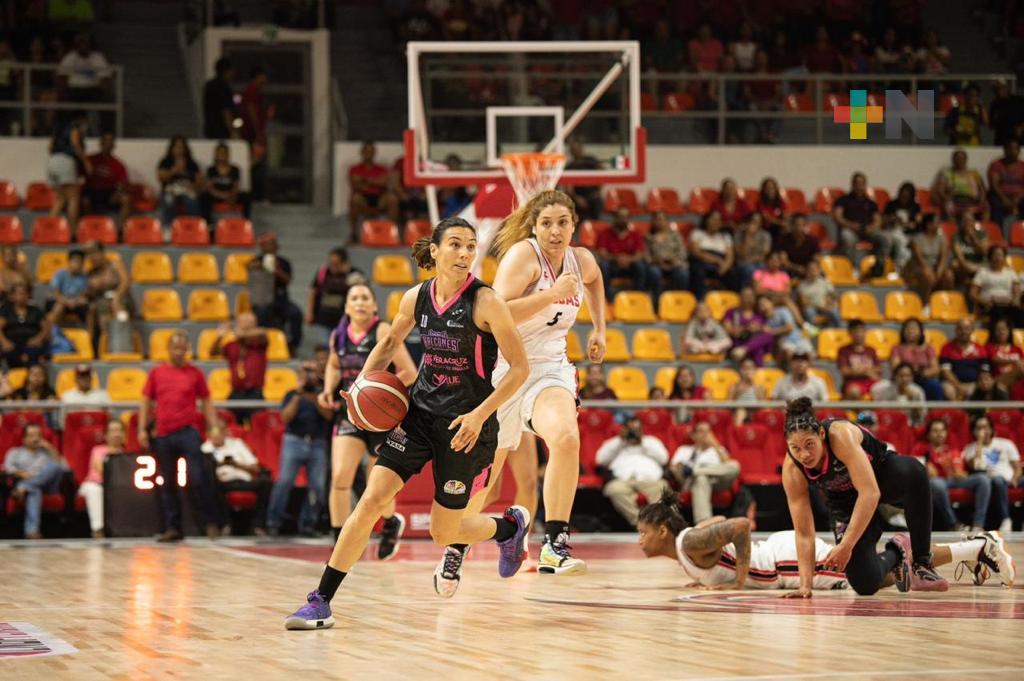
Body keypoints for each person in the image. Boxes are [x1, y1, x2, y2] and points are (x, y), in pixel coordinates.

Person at [283, 217, 530, 629]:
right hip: (418, 415)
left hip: (467, 426)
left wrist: (481, 413)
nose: (465, 253)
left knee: (443, 532)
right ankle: (320, 600)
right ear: (434, 251)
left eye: (471, 246)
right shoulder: (416, 297)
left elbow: (520, 369)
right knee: (370, 502)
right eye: (455, 245)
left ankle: (508, 528)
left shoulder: (487, 302)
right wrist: (360, 382)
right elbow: (390, 342)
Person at [445, 190, 606, 580]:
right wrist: (552, 295)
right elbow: (493, 314)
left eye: (563, 223)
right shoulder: (523, 256)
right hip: (505, 370)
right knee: (488, 477)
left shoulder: (580, 260)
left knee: (566, 438)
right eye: (547, 223)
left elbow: (596, 279)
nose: (555, 231)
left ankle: (554, 544)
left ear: (574, 226)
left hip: (551, 367)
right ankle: (456, 545)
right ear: (534, 226)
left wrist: (600, 327)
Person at [638, 489, 1013, 590]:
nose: (639, 541)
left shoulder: (688, 543)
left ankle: (975, 546)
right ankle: (971, 549)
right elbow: (718, 523)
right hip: (781, 557)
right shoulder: (689, 546)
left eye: (642, 533)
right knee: (891, 579)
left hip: (786, 563)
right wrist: (710, 572)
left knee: (880, 578)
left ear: (662, 531)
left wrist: (736, 582)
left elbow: (738, 525)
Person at [781, 398, 948, 597]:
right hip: (844, 501)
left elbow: (870, 493)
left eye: (809, 444)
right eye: (795, 448)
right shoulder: (792, 469)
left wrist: (846, 545)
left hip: (879, 476)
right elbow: (804, 533)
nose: (805, 455)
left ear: (822, 435)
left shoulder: (839, 436)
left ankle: (922, 564)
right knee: (865, 584)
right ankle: (897, 551)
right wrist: (805, 586)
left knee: (914, 472)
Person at [321, 283, 416, 552]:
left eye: (365, 298)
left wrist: (381, 393)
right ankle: (338, 539)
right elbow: (333, 364)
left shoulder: (382, 331)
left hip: (380, 416)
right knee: (340, 477)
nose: (360, 302)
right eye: (354, 298)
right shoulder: (337, 336)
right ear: (346, 307)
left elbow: (409, 372)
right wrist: (328, 389)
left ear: (374, 306)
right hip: (349, 414)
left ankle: (389, 523)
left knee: (377, 482)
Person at [138, 331, 221, 542]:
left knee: (198, 477)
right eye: (175, 348)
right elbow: (146, 401)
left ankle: (209, 522)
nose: (179, 352)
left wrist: (214, 427)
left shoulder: (196, 373)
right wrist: (141, 429)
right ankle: (173, 527)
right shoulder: (157, 373)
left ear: (187, 350)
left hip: (188, 431)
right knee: (167, 483)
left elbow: (207, 400)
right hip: (164, 433)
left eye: (183, 348)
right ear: (168, 349)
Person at [266, 362, 334, 536]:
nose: (309, 378)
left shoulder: (323, 394)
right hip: (294, 441)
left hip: (317, 442)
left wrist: (315, 400)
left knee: (318, 487)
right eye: (306, 374)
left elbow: (329, 415)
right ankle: (273, 522)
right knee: (284, 482)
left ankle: (309, 525)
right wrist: (298, 395)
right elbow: (285, 418)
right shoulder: (291, 394)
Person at [914, 418, 989, 534]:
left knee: (983, 479)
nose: (939, 434)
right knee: (936, 483)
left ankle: (978, 525)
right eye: (935, 431)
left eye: (942, 430)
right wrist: (925, 468)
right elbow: (914, 467)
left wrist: (960, 472)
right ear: (928, 434)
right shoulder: (921, 449)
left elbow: (961, 471)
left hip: (954, 480)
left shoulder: (952, 450)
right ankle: (953, 524)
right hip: (938, 482)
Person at [596, 415, 670, 527]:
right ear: (623, 429)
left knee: (662, 487)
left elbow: (664, 459)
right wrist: (620, 441)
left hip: (650, 480)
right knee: (613, 489)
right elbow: (600, 460)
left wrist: (642, 442)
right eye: (630, 429)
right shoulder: (615, 443)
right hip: (623, 481)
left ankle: (655, 523)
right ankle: (640, 523)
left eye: (636, 429)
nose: (633, 433)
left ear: (642, 429)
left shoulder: (651, 441)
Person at [203, 420, 270, 535]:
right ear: (208, 434)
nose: (217, 437)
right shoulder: (205, 448)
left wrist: (236, 464)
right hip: (223, 481)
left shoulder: (237, 443)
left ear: (226, 433)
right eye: (214, 434)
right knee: (211, 486)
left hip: (243, 479)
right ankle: (225, 524)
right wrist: (221, 464)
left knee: (266, 483)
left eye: (221, 433)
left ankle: (258, 525)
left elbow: (255, 468)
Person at [3, 423, 68, 539]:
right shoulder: (15, 452)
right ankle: (32, 532)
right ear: (24, 439)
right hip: (32, 487)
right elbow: (7, 467)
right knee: (34, 490)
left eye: (38, 435)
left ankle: (24, 487)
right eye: (31, 435)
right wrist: (20, 473)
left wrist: (49, 447)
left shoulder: (46, 453)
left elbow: (65, 468)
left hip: (49, 487)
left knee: (56, 466)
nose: (36, 439)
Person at [671, 420, 741, 523]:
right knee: (701, 479)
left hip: (717, 480)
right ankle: (704, 523)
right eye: (701, 431)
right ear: (693, 435)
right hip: (693, 482)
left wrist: (715, 445)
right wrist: (680, 468)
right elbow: (675, 469)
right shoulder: (685, 450)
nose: (705, 435)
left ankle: (696, 470)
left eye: (708, 432)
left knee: (735, 465)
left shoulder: (717, 449)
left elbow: (728, 465)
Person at [962, 414, 1021, 534]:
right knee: (997, 480)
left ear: (992, 429)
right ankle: (1006, 519)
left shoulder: (1006, 443)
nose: (983, 431)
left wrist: (1015, 478)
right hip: (993, 481)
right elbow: (976, 466)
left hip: (1011, 478)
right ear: (973, 431)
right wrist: (979, 442)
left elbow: (1017, 467)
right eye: (979, 428)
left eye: (986, 427)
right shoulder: (970, 448)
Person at [247, 233, 303, 352]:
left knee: (296, 313)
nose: (271, 247)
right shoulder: (255, 262)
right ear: (262, 247)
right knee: (262, 312)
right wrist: (259, 267)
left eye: (273, 244)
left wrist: (276, 270)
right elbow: (249, 273)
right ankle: (264, 344)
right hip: (261, 300)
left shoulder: (284, 263)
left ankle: (293, 345)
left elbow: (288, 280)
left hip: (280, 299)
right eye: (267, 245)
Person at [210, 312, 268, 420]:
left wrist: (240, 333)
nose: (246, 325)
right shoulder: (232, 345)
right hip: (236, 392)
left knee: (258, 427)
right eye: (243, 322)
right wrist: (220, 337)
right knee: (228, 424)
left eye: (250, 323)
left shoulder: (259, 342)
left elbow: (262, 332)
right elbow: (213, 352)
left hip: (254, 393)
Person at [305, 247, 367, 344]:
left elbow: (364, 294)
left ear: (344, 263)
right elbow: (313, 292)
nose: (333, 267)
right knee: (326, 347)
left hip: (346, 320)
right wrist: (310, 313)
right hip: (324, 318)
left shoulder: (355, 274)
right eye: (331, 263)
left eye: (336, 264)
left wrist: (347, 275)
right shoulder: (323, 273)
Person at [78, 419, 128, 538]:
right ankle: (98, 530)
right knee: (95, 490)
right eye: (113, 431)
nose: (117, 434)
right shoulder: (98, 450)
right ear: (106, 435)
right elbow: (102, 470)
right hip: (93, 485)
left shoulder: (127, 454)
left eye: (120, 430)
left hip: (115, 488)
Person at [833, 172, 887, 276]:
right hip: (850, 229)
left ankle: (879, 267)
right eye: (857, 183)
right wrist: (851, 225)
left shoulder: (871, 202)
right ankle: (851, 268)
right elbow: (838, 217)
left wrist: (872, 227)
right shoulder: (843, 200)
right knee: (847, 237)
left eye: (861, 184)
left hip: (867, 230)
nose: (859, 186)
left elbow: (878, 219)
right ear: (852, 184)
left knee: (885, 238)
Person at [83, 240, 131, 354]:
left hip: (121, 297)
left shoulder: (115, 264)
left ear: (102, 252)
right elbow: (89, 295)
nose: (92, 257)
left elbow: (126, 282)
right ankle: (105, 348)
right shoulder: (91, 273)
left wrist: (117, 297)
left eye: (94, 253)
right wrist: (92, 288)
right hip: (101, 303)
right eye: (89, 255)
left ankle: (122, 347)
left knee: (117, 307)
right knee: (99, 312)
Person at [47, 110, 89, 228]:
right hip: (66, 161)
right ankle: (73, 231)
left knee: (60, 199)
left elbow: (50, 148)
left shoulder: (57, 129)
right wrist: (86, 162)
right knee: (73, 198)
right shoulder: (74, 128)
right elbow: (75, 145)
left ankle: (48, 229)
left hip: (52, 162)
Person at [596, 208, 650, 302]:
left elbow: (640, 254)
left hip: (630, 267)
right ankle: (607, 300)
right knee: (604, 265)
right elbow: (602, 254)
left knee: (640, 266)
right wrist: (617, 258)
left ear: (629, 219)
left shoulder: (635, 235)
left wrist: (628, 259)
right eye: (620, 217)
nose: (622, 219)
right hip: (613, 266)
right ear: (614, 218)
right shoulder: (605, 234)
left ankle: (638, 299)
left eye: (625, 217)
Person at [349, 141, 399, 238]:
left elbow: (384, 183)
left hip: (379, 197)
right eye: (367, 151)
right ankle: (354, 234)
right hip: (363, 197)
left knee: (392, 199)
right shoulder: (354, 169)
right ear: (362, 152)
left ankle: (390, 232)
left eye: (371, 151)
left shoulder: (382, 169)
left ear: (374, 153)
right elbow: (356, 185)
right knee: (355, 199)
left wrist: (365, 180)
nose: (369, 154)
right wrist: (376, 182)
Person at [890, 318, 944, 400]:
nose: (911, 331)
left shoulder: (928, 348)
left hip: (923, 379)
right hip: (904, 380)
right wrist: (910, 374)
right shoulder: (897, 348)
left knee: (935, 384)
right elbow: (895, 367)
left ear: (921, 332)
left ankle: (936, 412)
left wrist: (922, 374)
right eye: (908, 328)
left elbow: (935, 369)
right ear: (903, 332)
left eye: (914, 328)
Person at [902, 214, 953, 301]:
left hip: (935, 267)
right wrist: (928, 269)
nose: (938, 225)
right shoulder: (917, 239)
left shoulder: (942, 238)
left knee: (949, 275)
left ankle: (943, 301)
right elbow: (920, 259)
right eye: (936, 223)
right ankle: (926, 303)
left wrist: (940, 269)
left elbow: (943, 257)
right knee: (928, 276)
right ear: (928, 225)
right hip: (919, 267)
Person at [970, 245, 1021, 330]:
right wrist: (984, 302)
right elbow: (972, 293)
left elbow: (1017, 291)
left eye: (1000, 255)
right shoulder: (983, 272)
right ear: (990, 257)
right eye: (995, 255)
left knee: (1019, 312)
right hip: (989, 305)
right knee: (998, 312)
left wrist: (1015, 300)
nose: (997, 258)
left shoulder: (1010, 273)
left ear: (1004, 258)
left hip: (1007, 304)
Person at [84, 131, 131, 224]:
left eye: (110, 141)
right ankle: (89, 227)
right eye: (106, 141)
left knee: (126, 199)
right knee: (84, 201)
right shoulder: (90, 160)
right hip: (92, 191)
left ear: (113, 145)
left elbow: (123, 183)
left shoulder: (118, 164)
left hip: (109, 193)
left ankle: (121, 231)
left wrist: (118, 193)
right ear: (101, 143)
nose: (108, 144)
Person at [688, 209, 736, 300]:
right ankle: (700, 300)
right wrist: (717, 260)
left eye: (718, 220)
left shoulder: (725, 236)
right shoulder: (698, 233)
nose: (716, 222)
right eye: (713, 219)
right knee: (698, 272)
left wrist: (725, 265)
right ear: (706, 220)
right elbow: (696, 252)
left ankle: (728, 301)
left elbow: (730, 255)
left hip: (721, 263)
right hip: (702, 261)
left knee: (733, 274)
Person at [0, 282, 51, 367]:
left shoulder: (36, 310)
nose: (22, 296)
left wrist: (38, 339)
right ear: (13, 296)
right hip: (12, 343)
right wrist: (5, 342)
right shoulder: (6, 311)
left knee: (35, 352)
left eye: (25, 293)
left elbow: (46, 329)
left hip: (31, 343)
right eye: (19, 293)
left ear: (29, 295)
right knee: (9, 352)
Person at [157, 135, 203, 226]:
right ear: (172, 148)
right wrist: (173, 171)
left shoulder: (192, 163)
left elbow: (200, 181)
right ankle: (168, 228)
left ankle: (192, 227)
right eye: (177, 147)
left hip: (187, 190)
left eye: (181, 147)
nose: (179, 149)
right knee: (168, 201)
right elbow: (160, 177)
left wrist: (192, 186)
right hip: (170, 190)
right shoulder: (166, 161)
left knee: (192, 201)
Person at [240, 67, 271, 202]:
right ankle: (257, 196)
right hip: (252, 136)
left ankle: (258, 195)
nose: (266, 79)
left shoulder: (258, 92)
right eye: (263, 76)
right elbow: (251, 110)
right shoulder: (252, 91)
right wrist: (258, 132)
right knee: (256, 166)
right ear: (257, 76)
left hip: (255, 134)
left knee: (257, 165)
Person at [932, 149, 989, 221]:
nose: (960, 161)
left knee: (986, 206)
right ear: (953, 160)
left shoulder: (974, 173)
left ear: (966, 159)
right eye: (957, 159)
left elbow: (982, 188)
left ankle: (982, 229)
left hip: (972, 200)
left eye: (962, 158)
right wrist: (946, 198)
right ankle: (952, 227)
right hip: (955, 200)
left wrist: (982, 198)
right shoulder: (947, 174)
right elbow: (940, 190)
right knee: (948, 206)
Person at [939, 318, 987, 401]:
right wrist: (958, 386)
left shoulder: (980, 349)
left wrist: (981, 383)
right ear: (956, 330)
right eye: (960, 328)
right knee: (948, 390)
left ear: (972, 330)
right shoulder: (947, 348)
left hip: (974, 383)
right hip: (953, 383)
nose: (963, 331)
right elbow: (945, 371)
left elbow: (985, 371)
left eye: (967, 328)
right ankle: (956, 413)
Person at [723, 287, 772, 366]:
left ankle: (744, 349)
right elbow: (727, 329)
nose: (748, 298)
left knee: (768, 335)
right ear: (740, 297)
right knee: (758, 350)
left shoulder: (759, 314)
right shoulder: (732, 312)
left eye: (750, 296)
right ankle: (759, 374)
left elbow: (767, 330)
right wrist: (746, 328)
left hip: (752, 342)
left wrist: (758, 328)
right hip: (740, 341)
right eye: (745, 295)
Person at [201, 142, 250, 220]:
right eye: (220, 152)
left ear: (228, 154)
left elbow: (236, 186)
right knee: (204, 197)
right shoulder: (211, 170)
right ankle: (207, 223)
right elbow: (210, 188)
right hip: (216, 195)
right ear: (216, 154)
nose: (222, 155)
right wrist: (222, 195)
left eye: (224, 152)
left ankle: (246, 222)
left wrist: (231, 195)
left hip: (231, 194)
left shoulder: (235, 169)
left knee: (246, 196)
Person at [646, 211, 689, 299]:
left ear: (667, 221)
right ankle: (657, 302)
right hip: (656, 265)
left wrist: (674, 261)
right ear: (652, 222)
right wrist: (657, 261)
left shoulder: (675, 236)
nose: (659, 222)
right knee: (654, 273)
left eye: (662, 219)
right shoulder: (649, 238)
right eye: (657, 219)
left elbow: (683, 253)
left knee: (683, 274)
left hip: (675, 264)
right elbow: (646, 255)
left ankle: (678, 301)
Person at [758, 295, 813, 362]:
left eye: (764, 302)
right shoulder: (764, 320)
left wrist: (772, 331)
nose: (762, 305)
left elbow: (790, 327)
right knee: (789, 352)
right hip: (785, 342)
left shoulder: (782, 311)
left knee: (809, 354)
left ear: (771, 302)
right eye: (760, 304)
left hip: (799, 338)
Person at [838, 319, 881, 399]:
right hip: (853, 383)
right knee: (854, 392)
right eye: (856, 332)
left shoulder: (871, 350)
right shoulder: (844, 350)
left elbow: (878, 369)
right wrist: (866, 371)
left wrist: (857, 370)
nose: (859, 334)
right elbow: (844, 371)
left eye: (861, 331)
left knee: (885, 388)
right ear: (849, 333)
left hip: (871, 382)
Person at [987, 138, 1024, 228]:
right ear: (1005, 150)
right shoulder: (996, 165)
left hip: (1019, 197)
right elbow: (994, 184)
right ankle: (998, 234)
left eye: (1015, 149)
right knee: (995, 204)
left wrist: (1018, 198)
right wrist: (1004, 199)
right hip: (1000, 196)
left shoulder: (1022, 166)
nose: (1012, 151)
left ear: (1019, 151)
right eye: (1010, 148)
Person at [48, 248, 89, 323]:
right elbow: (57, 295)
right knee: (59, 307)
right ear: (69, 261)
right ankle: (54, 332)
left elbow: (84, 295)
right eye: (76, 261)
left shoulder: (85, 277)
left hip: (77, 303)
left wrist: (76, 301)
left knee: (91, 307)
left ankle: (91, 333)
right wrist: (67, 302)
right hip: (62, 302)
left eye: (81, 262)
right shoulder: (59, 274)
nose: (78, 264)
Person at [203, 56, 239, 140]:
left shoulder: (209, 85)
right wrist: (233, 131)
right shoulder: (223, 87)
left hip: (210, 129)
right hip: (221, 131)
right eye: (232, 70)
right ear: (227, 71)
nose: (233, 73)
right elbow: (226, 110)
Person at [734, 213, 772, 290]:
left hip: (760, 262)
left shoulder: (766, 235)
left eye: (758, 222)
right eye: (753, 221)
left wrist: (751, 259)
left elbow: (764, 255)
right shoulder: (739, 234)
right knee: (749, 269)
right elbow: (741, 255)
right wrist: (748, 235)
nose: (756, 224)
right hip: (743, 262)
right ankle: (747, 293)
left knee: (762, 269)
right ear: (747, 222)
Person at [776, 213, 820, 279]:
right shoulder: (784, 239)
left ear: (806, 226)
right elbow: (784, 261)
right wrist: (797, 268)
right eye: (796, 225)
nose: (799, 228)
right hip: (790, 269)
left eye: (802, 225)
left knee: (819, 273)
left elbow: (816, 259)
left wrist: (809, 268)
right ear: (792, 226)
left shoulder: (813, 240)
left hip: (808, 269)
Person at [951, 212, 989, 285]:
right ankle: (968, 283)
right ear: (961, 222)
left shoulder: (981, 234)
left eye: (969, 220)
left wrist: (973, 238)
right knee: (955, 264)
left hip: (980, 263)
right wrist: (967, 266)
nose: (967, 223)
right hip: (966, 265)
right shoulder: (957, 236)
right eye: (965, 221)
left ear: (974, 222)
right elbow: (959, 256)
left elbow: (984, 251)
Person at [986, 318, 1024, 392]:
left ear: (1009, 331)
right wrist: (1015, 360)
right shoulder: (989, 347)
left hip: (1016, 381)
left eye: (1004, 329)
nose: (1001, 332)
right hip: (997, 380)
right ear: (993, 332)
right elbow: (995, 360)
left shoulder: (1017, 349)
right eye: (998, 329)